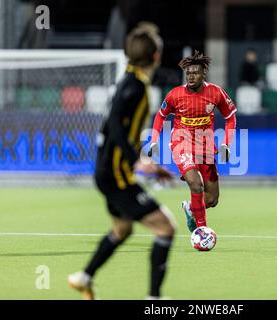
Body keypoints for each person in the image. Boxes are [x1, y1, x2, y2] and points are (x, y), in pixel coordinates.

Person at [68, 22, 176, 300]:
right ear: (155, 56)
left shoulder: (128, 79)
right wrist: (135, 161)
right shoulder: (136, 86)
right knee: (166, 228)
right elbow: (115, 122)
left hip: (107, 171)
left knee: (122, 229)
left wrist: (142, 160)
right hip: (116, 175)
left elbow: (117, 126)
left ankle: (84, 277)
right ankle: (154, 299)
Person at [148, 50, 237, 233]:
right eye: (188, 73)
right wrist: (154, 141)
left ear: (204, 73)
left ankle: (191, 208)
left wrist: (226, 143)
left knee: (212, 199)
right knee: (195, 184)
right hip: (181, 143)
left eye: (195, 72)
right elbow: (160, 116)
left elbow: (230, 118)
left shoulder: (215, 92)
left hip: (205, 145)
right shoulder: (175, 95)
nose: (191, 76)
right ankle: (201, 230)